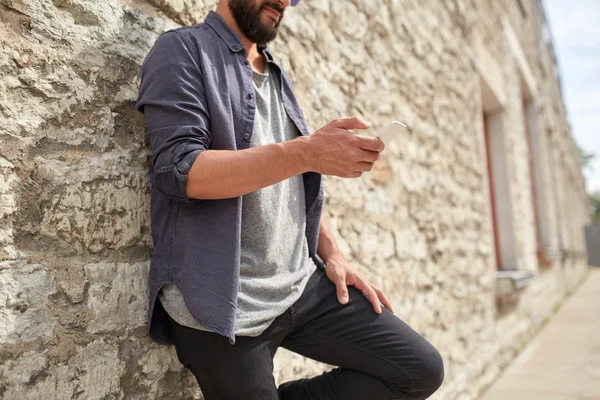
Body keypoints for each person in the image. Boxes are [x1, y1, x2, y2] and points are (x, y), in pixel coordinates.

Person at [136, 0, 444, 398]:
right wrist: (308, 152)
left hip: (300, 283)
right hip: (220, 303)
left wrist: (333, 254)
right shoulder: (182, 49)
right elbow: (181, 171)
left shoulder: (278, 76)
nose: (284, 1)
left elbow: (290, 182)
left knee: (419, 370)